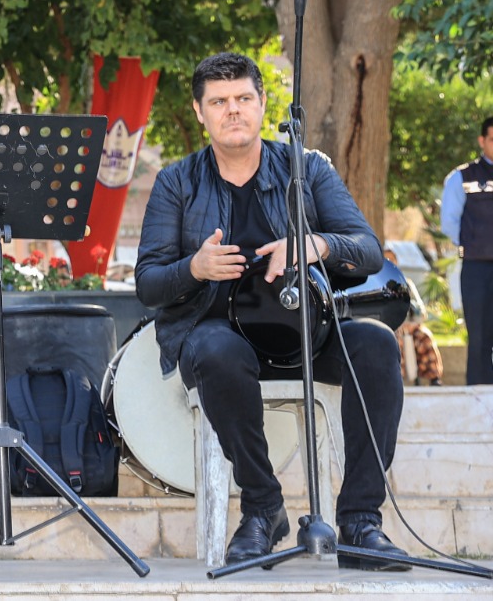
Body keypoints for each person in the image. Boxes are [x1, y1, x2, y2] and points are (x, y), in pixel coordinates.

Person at [135, 53, 408, 570]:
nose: (232, 110)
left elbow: (368, 249)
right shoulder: (177, 182)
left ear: (262, 104)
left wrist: (315, 245)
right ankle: (263, 508)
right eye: (218, 102)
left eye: (243, 98)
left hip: (309, 333)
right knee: (216, 350)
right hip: (217, 339)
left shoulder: (307, 168)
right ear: (199, 112)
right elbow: (148, 285)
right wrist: (195, 267)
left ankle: (360, 522)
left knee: (374, 344)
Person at [440, 115, 493, 385]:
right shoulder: (462, 177)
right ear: (482, 140)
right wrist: (475, 242)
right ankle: (480, 402)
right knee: (480, 337)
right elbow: (449, 222)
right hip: (477, 268)